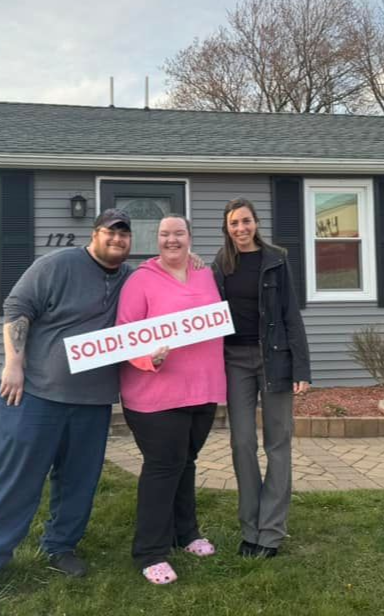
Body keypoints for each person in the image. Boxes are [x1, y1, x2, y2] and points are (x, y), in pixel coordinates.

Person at [0, 208, 134, 602]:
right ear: (95, 233)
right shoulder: (57, 265)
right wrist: (13, 364)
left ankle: (61, 546)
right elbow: (18, 308)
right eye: (111, 232)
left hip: (94, 401)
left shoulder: (132, 280)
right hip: (34, 394)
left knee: (79, 482)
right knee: (16, 480)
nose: (117, 240)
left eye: (124, 235)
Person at [116, 214, 226, 585]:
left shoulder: (205, 273)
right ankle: (150, 551)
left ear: (190, 238)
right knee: (164, 466)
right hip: (154, 395)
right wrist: (150, 358)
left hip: (202, 390)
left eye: (179, 233)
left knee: (187, 462)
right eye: (165, 235)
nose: (171, 240)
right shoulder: (140, 280)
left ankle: (186, 533)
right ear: (157, 239)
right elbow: (124, 335)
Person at [212, 197, 311, 559]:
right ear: (226, 227)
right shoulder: (219, 265)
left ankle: (270, 533)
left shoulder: (276, 259)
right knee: (241, 443)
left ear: (256, 223)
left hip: (274, 359)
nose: (241, 228)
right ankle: (250, 528)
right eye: (234, 223)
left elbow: (290, 315)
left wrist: (301, 368)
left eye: (246, 221)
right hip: (234, 361)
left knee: (277, 444)